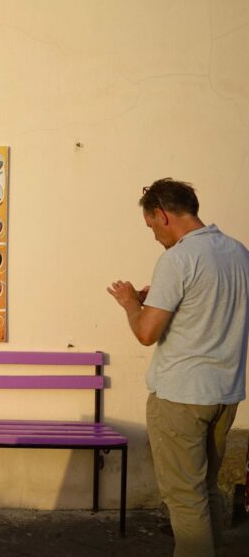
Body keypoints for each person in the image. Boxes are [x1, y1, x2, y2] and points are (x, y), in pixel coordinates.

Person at [107, 178, 249, 557]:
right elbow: (211, 306)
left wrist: (129, 304)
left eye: (152, 226)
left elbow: (146, 333)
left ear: (162, 215)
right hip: (225, 393)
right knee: (205, 490)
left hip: (181, 396)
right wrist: (164, 298)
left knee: (185, 500)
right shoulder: (238, 252)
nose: (154, 235)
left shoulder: (178, 258)